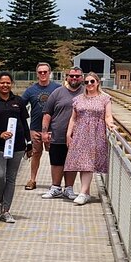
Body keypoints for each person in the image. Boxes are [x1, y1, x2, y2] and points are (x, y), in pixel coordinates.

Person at [0, 72, 32, 223]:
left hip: (17, 146)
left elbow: (24, 123)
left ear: (12, 84)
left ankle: (6, 210)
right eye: (2, 83)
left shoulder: (18, 101)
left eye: (8, 83)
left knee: (11, 178)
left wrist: (29, 144)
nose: (5, 85)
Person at [64, 72, 115, 205]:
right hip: (80, 133)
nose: (89, 84)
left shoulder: (105, 98)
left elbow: (108, 116)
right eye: (86, 82)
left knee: (89, 164)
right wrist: (69, 134)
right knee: (83, 163)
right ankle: (85, 193)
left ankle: (82, 193)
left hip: (96, 134)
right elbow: (73, 118)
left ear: (97, 82)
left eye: (92, 81)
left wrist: (110, 124)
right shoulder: (78, 99)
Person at [41, 66, 84, 200]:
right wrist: (44, 132)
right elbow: (47, 113)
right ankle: (55, 187)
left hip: (78, 136)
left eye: (77, 76)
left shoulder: (86, 93)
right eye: (71, 76)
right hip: (58, 134)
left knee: (72, 163)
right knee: (56, 162)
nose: (74, 78)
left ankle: (69, 188)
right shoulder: (57, 93)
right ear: (67, 77)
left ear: (82, 78)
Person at [20, 62, 61, 190]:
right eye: (40, 72)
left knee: (56, 155)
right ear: (37, 74)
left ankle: (57, 183)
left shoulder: (57, 88)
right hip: (35, 129)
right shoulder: (31, 90)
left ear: (49, 73)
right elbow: (20, 105)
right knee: (36, 154)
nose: (43, 74)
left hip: (53, 130)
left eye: (45, 72)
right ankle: (32, 180)